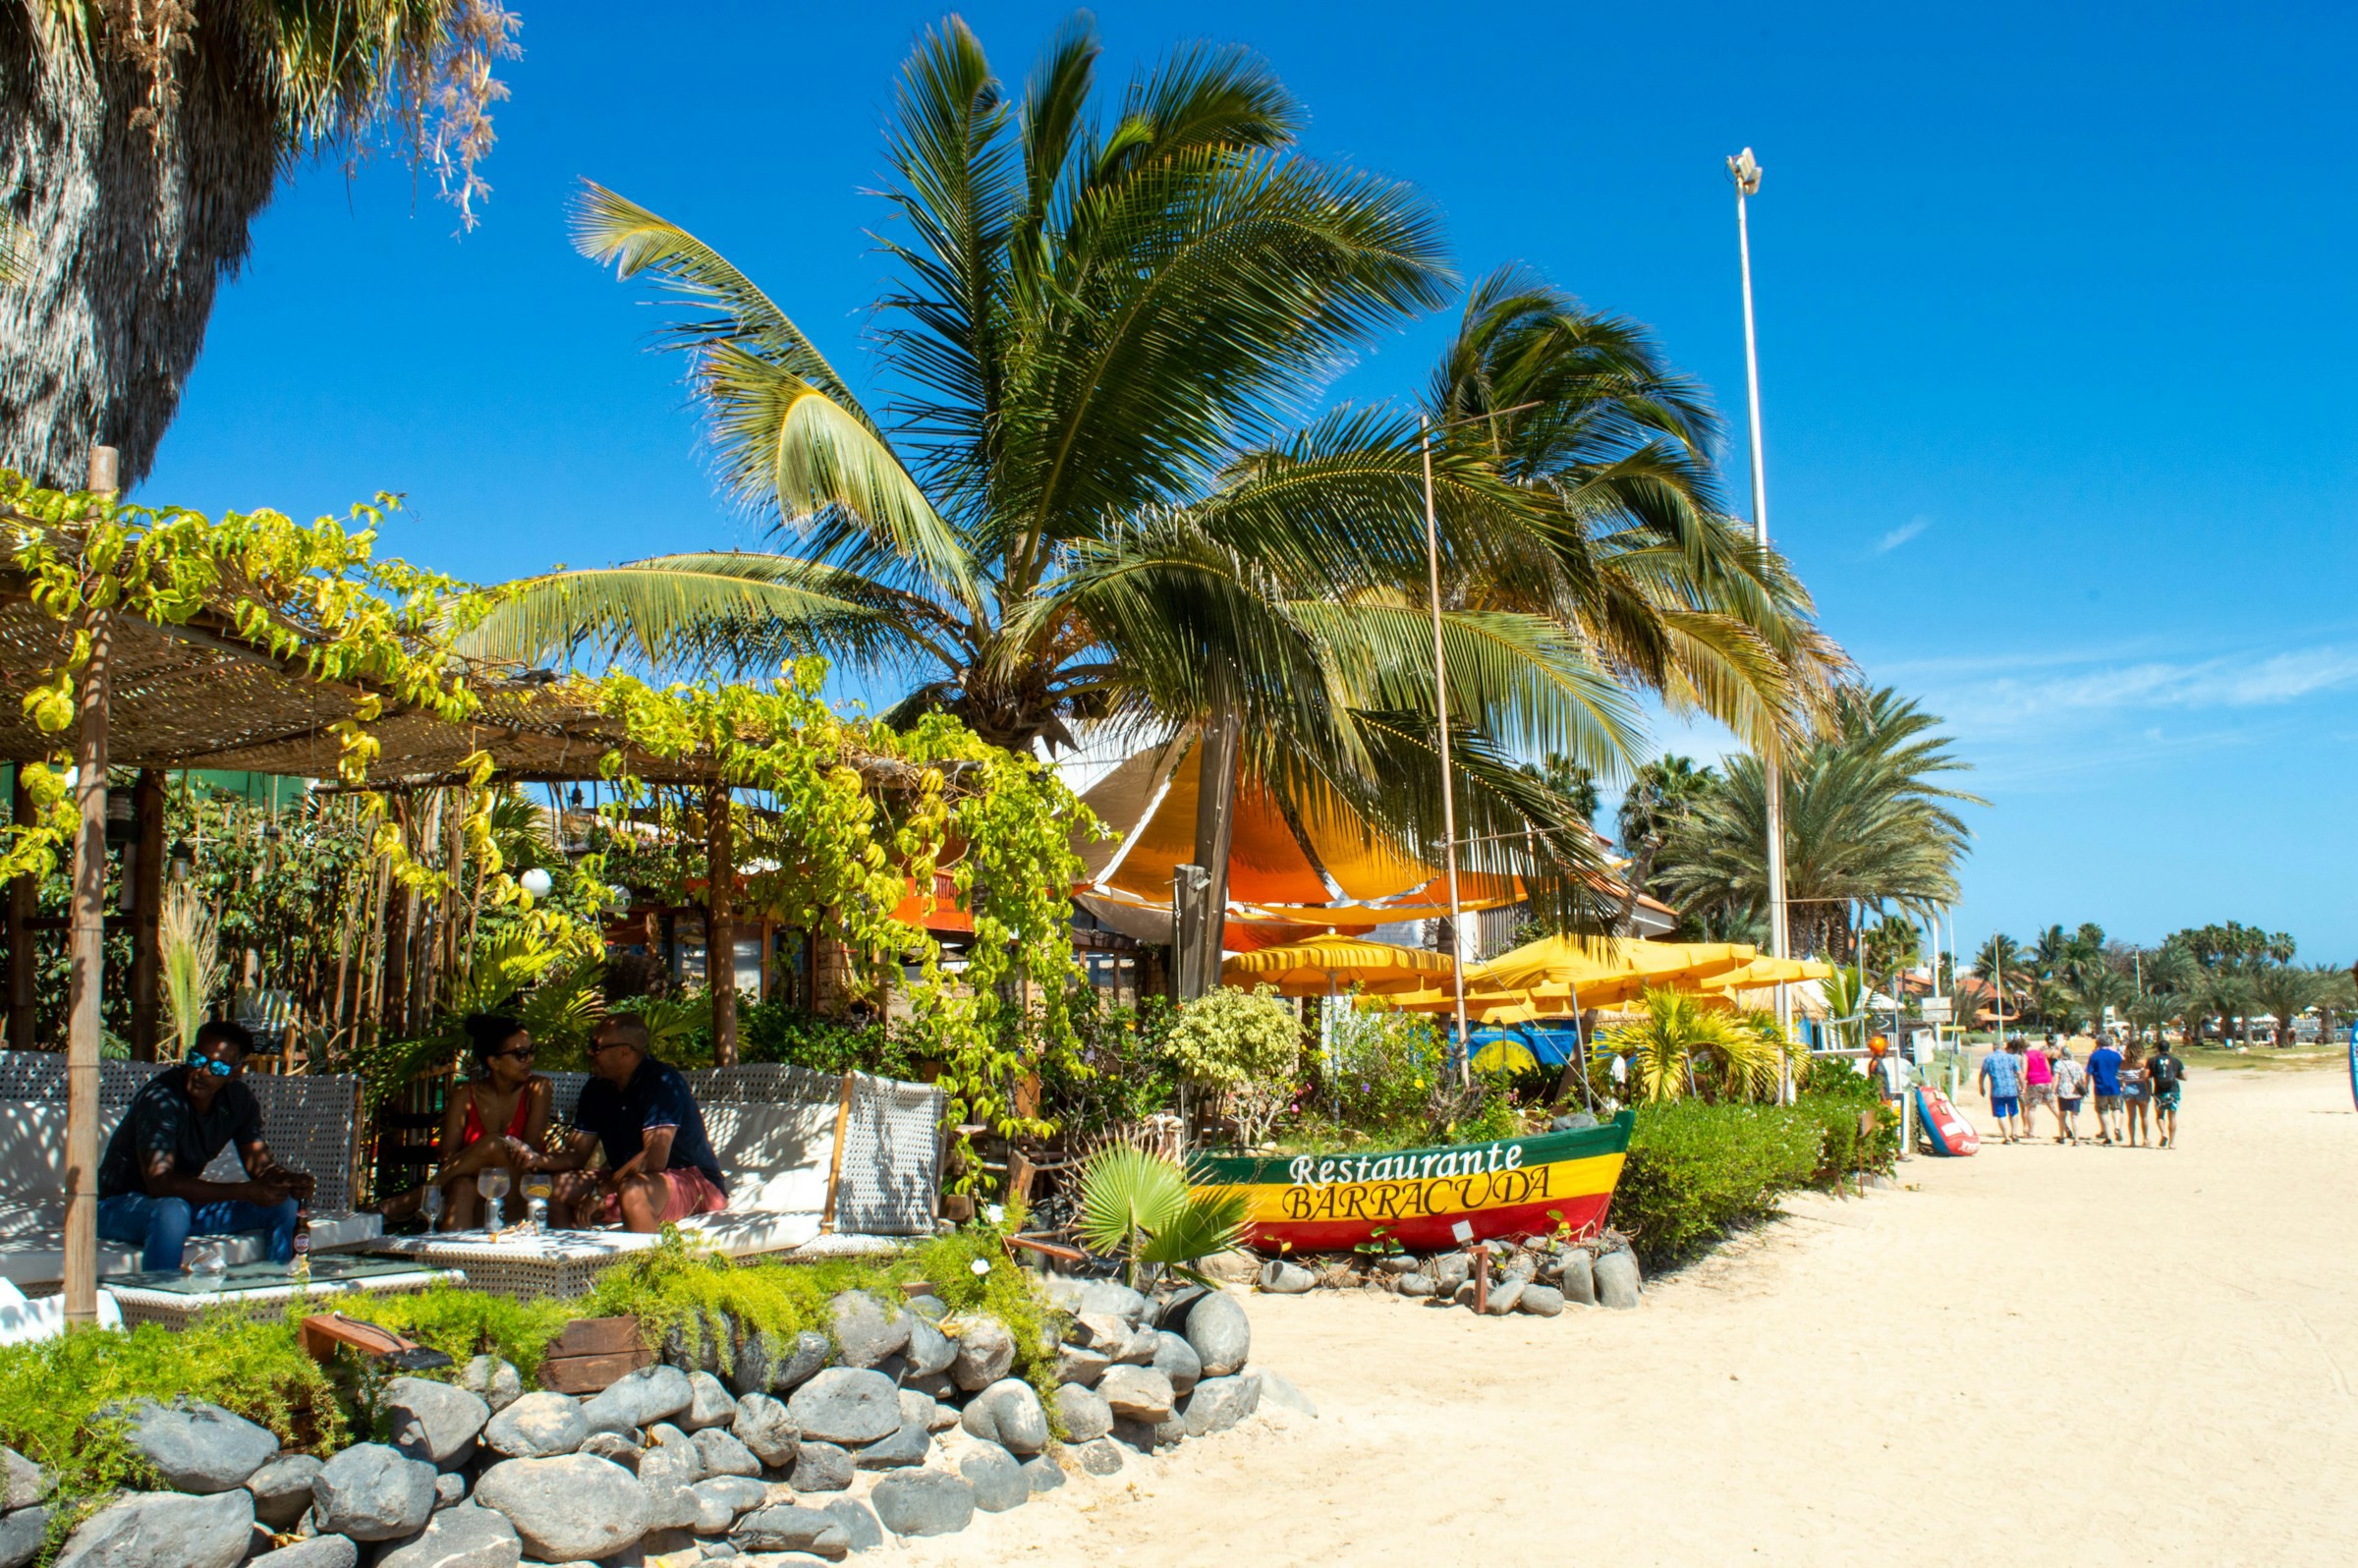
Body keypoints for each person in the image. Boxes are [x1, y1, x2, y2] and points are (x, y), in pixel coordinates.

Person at [94, 1021, 316, 1271]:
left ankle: (283, 1290)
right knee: (172, 1210)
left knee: (283, 1204)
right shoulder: (162, 1098)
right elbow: (160, 1183)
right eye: (197, 1059)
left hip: (182, 1207)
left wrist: (288, 1180)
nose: (203, 1072)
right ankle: (161, 1302)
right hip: (117, 1207)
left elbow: (261, 1168)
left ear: (236, 1071)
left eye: (218, 1067)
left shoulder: (238, 1101)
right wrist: (245, 1191)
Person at [533, 1014, 727, 1232]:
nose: (589, 1053)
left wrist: (600, 1192)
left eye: (596, 1047)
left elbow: (654, 1159)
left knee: (634, 1191)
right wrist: (536, 1160)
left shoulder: (662, 1081)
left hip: (693, 1180)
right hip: (631, 1178)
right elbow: (577, 1153)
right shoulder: (596, 1088)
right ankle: (574, 1263)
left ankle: (647, 1265)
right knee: (555, 1188)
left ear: (625, 1051)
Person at [425, 1015, 555, 1230]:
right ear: (493, 1061)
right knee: (461, 1186)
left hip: (521, 1194)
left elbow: (525, 1155)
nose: (530, 1059)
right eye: (521, 1054)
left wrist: (490, 1154)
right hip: (473, 1197)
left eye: (532, 1051)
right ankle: (453, 1261)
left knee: (495, 1145)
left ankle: (417, 1197)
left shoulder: (538, 1088)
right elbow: (448, 1158)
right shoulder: (463, 1095)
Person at [1978, 1036, 2026, 1144]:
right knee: (2014, 1111)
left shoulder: (1989, 1058)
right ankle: (2014, 1134)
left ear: (1993, 1048)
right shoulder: (2011, 1057)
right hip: (2011, 1089)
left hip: (1997, 1091)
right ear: (2003, 1047)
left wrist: (1981, 1087)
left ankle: (2006, 1137)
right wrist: (2022, 1085)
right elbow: (2019, 1073)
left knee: (2001, 1114)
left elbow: (1982, 1074)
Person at [2085, 1032, 2125, 1145]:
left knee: (2102, 1110)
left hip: (2100, 1087)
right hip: (2115, 1086)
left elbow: (2088, 1073)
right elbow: (2121, 1071)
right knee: (2117, 1108)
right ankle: (2117, 1127)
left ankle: (2108, 1135)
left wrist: (2086, 1086)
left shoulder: (2094, 1056)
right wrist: (2122, 1084)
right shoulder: (2117, 1055)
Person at [2148, 1037, 2186, 1148]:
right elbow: (2185, 1076)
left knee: (2160, 1115)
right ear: (2170, 1048)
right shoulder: (2176, 1061)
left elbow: (2146, 1076)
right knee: (2172, 1116)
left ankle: (2163, 1133)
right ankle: (2172, 1142)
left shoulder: (2152, 1061)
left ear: (2158, 1049)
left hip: (2159, 1091)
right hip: (2173, 1091)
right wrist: (2177, 1075)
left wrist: (2149, 1090)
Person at [2049, 1041, 2088, 1144]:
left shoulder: (2059, 1064)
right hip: (2075, 1092)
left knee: (2062, 1115)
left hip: (2063, 1092)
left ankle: (2062, 1137)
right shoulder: (2077, 1064)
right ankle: (2076, 1139)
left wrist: (2053, 1091)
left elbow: (2056, 1079)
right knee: (2075, 1116)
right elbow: (2082, 1079)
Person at [2022, 1034, 2055, 1136]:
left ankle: (2031, 1131)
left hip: (2034, 1082)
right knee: (2052, 1105)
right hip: (2046, 1080)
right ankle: (2065, 1126)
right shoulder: (2041, 1053)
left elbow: (2024, 1071)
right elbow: (2048, 1068)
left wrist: (2023, 1085)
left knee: (2031, 1107)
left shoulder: (2025, 1056)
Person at [2120, 1040, 2152, 1147]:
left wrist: (2122, 1085)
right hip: (2141, 1087)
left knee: (2131, 1117)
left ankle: (2132, 1141)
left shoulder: (2123, 1063)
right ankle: (2146, 1138)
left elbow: (2119, 1078)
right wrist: (2149, 1092)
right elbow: (2146, 1078)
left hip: (2129, 1088)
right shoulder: (2143, 1063)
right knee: (2144, 1116)